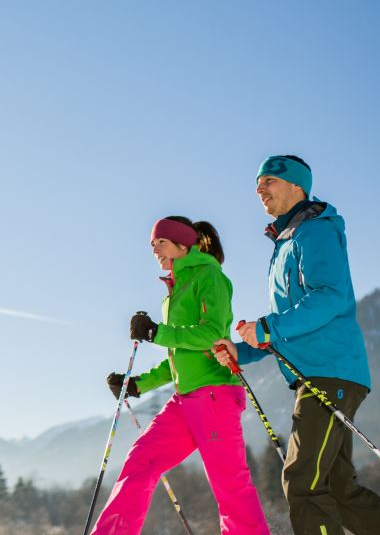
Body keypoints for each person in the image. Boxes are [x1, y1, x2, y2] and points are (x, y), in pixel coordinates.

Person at [213, 155, 380, 535]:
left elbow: (329, 297)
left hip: (329, 373)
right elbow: (288, 327)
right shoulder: (285, 242)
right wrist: (241, 349)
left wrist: (267, 326)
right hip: (320, 374)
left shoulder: (314, 231)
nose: (259, 189)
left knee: (303, 482)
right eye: (258, 183)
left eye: (269, 181)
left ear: (297, 185)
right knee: (338, 489)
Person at [92, 216, 269, 535]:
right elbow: (178, 356)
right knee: (140, 462)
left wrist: (158, 332)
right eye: (152, 244)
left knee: (230, 486)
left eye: (161, 241)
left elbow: (213, 334)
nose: (155, 249)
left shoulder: (209, 276)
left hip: (215, 395)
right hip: (185, 400)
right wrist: (137, 384)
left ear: (182, 243)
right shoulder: (172, 292)